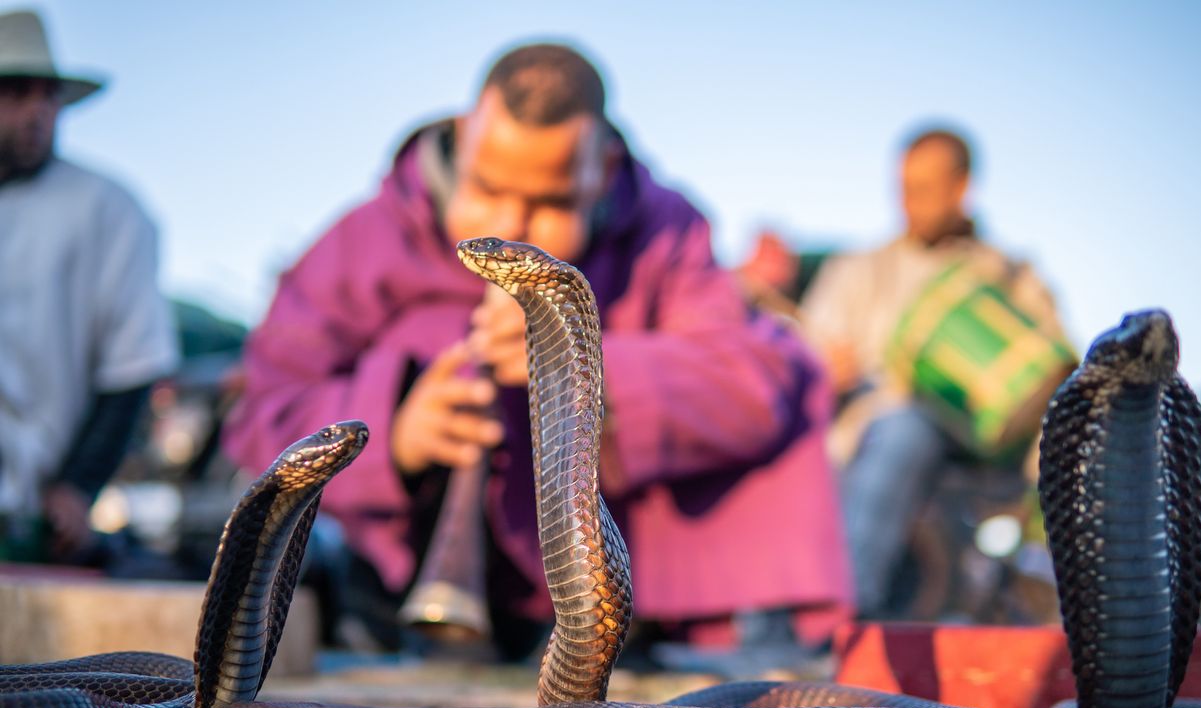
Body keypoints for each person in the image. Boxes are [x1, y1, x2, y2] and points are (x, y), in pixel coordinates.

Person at [223, 43, 850, 658]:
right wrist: (398, 432)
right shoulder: (362, 238)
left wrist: (581, 368)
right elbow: (263, 411)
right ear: (466, 137)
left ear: (601, 171)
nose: (513, 224)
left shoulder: (669, 229)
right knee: (426, 338)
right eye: (488, 189)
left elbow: (749, 382)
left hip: (604, 594)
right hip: (395, 582)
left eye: (551, 203)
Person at [799, 128, 1065, 618]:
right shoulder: (861, 269)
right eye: (903, 188)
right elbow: (804, 357)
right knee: (905, 427)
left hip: (988, 445)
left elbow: (1048, 367)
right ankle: (843, 616)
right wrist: (825, 368)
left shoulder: (1009, 274)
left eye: (924, 189)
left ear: (961, 188)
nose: (909, 202)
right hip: (875, 431)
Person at [0, 9, 178, 564]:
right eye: (16, 93)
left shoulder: (108, 209)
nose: (36, 112)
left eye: (47, 95)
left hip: (32, 521)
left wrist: (77, 488)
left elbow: (132, 364)